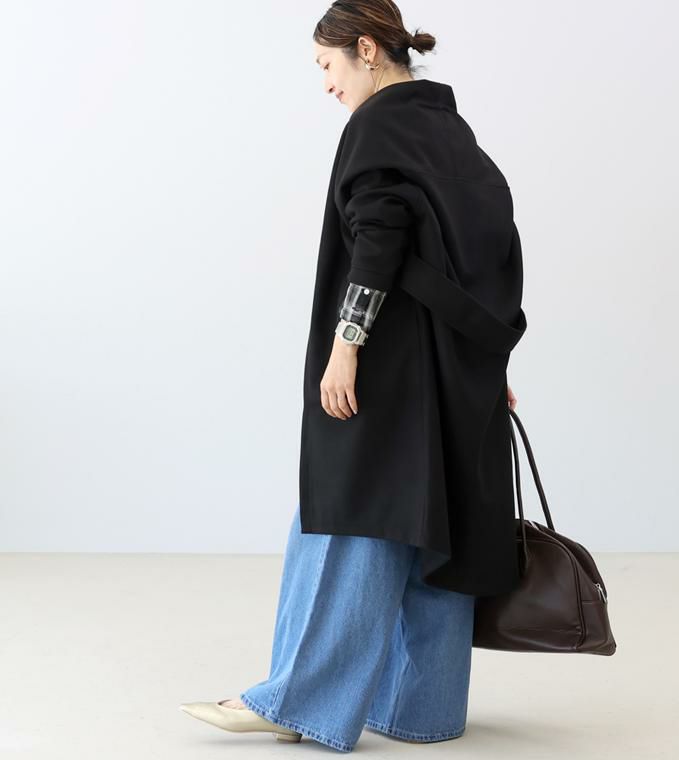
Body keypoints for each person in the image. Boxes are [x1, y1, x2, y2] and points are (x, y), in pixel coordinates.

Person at [180, 0, 525, 752]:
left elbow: (379, 235)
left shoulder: (377, 125)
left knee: (351, 512)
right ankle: (423, 711)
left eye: (327, 65)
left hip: (392, 362)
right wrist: (483, 360)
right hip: (453, 369)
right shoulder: (451, 130)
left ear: (367, 48)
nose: (327, 84)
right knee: (432, 521)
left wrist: (347, 342)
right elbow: (491, 244)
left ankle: (296, 700)